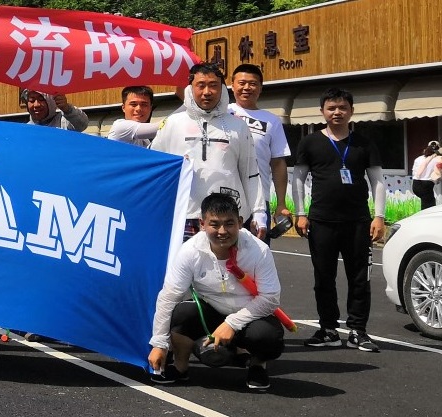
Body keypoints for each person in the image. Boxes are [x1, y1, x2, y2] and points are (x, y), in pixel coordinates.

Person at [147, 193, 284, 390]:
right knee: (181, 313)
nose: (222, 231)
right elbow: (169, 297)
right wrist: (159, 344)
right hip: (210, 312)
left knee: (267, 335)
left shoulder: (258, 250)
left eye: (229, 224)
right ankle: (180, 366)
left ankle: (257, 366)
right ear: (202, 224)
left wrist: (231, 324)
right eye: (214, 224)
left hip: (248, 315)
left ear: (240, 222)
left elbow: (270, 298)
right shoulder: (190, 251)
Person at [293, 88, 386, 352]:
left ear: (351, 111)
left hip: (358, 221)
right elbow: (298, 178)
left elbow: (378, 181)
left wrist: (379, 216)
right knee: (324, 277)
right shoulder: (310, 142)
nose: (337, 112)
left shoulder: (364, 143)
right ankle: (328, 330)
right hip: (321, 221)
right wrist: (301, 213)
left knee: (360, 278)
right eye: (331, 108)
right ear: (322, 111)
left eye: (343, 107)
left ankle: (358, 331)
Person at [150, 63, 266, 241]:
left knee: (228, 260)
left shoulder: (238, 126)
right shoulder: (172, 123)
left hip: (227, 216)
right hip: (183, 213)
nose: (207, 92)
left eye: (213, 85)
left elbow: (250, 172)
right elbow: (154, 166)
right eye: (201, 85)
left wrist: (259, 211)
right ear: (190, 88)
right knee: (183, 260)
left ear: (222, 89)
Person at [228, 64, 292, 241]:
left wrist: (281, 203)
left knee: (256, 253)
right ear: (232, 85)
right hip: (223, 197)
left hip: (258, 200)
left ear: (261, 88)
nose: (247, 88)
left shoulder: (272, 121)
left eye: (253, 83)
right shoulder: (222, 113)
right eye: (242, 83)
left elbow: (278, 163)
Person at [23, 90, 89, 132]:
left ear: (51, 102)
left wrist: (67, 109)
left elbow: (82, 124)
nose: (36, 105)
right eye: (32, 100)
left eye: (41, 99)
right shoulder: (25, 130)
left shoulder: (64, 122)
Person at [411, 141, 441, 210]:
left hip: (415, 184)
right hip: (426, 184)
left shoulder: (418, 158)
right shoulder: (437, 159)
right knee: (429, 207)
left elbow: (414, 172)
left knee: (425, 201)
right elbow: (438, 174)